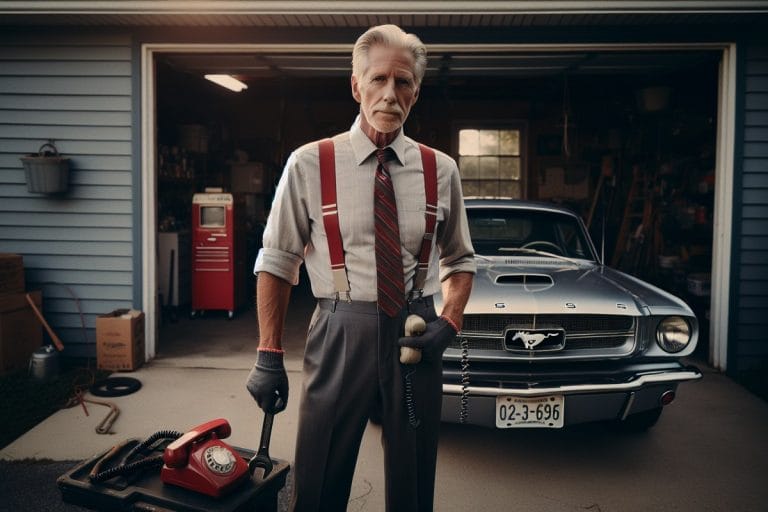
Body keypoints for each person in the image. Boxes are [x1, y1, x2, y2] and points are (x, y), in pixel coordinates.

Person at [246, 24, 475, 511]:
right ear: (356, 86)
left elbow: (460, 260)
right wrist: (269, 353)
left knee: (413, 482)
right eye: (378, 80)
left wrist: (449, 322)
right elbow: (277, 260)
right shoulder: (309, 163)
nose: (390, 95)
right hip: (339, 331)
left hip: (415, 332)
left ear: (417, 90)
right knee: (319, 475)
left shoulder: (442, 170)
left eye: (404, 81)